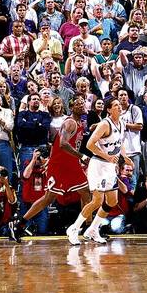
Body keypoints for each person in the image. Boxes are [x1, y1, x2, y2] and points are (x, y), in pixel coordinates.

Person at [15, 96, 91, 240]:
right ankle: (21, 224)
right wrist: (81, 156)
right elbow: (62, 143)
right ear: (71, 107)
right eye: (78, 103)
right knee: (48, 198)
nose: (81, 105)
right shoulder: (69, 122)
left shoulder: (80, 122)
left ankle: (88, 228)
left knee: (86, 193)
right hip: (61, 165)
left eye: (83, 103)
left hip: (71, 164)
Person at [66, 96, 127, 244]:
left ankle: (93, 229)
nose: (119, 107)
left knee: (112, 201)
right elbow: (90, 145)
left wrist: (125, 158)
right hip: (99, 165)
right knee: (97, 201)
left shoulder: (122, 123)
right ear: (108, 109)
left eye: (120, 105)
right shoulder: (104, 124)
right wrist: (107, 156)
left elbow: (119, 144)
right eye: (116, 105)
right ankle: (74, 228)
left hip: (110, 166)